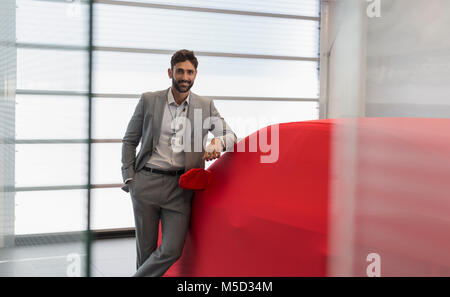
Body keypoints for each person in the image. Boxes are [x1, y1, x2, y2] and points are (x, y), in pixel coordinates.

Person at [121, 49, 236, 277]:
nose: (185, 77)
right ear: (170, 72)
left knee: (172, 249)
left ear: (196, 75)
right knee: (145, 252)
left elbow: (231, 135)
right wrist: (130, 177)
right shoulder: (149, 100)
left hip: (181, 188)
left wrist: (218, 142)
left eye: (190, 72)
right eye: (180, 71)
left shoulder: (205, 105)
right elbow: (129, 140)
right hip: (146, 183)